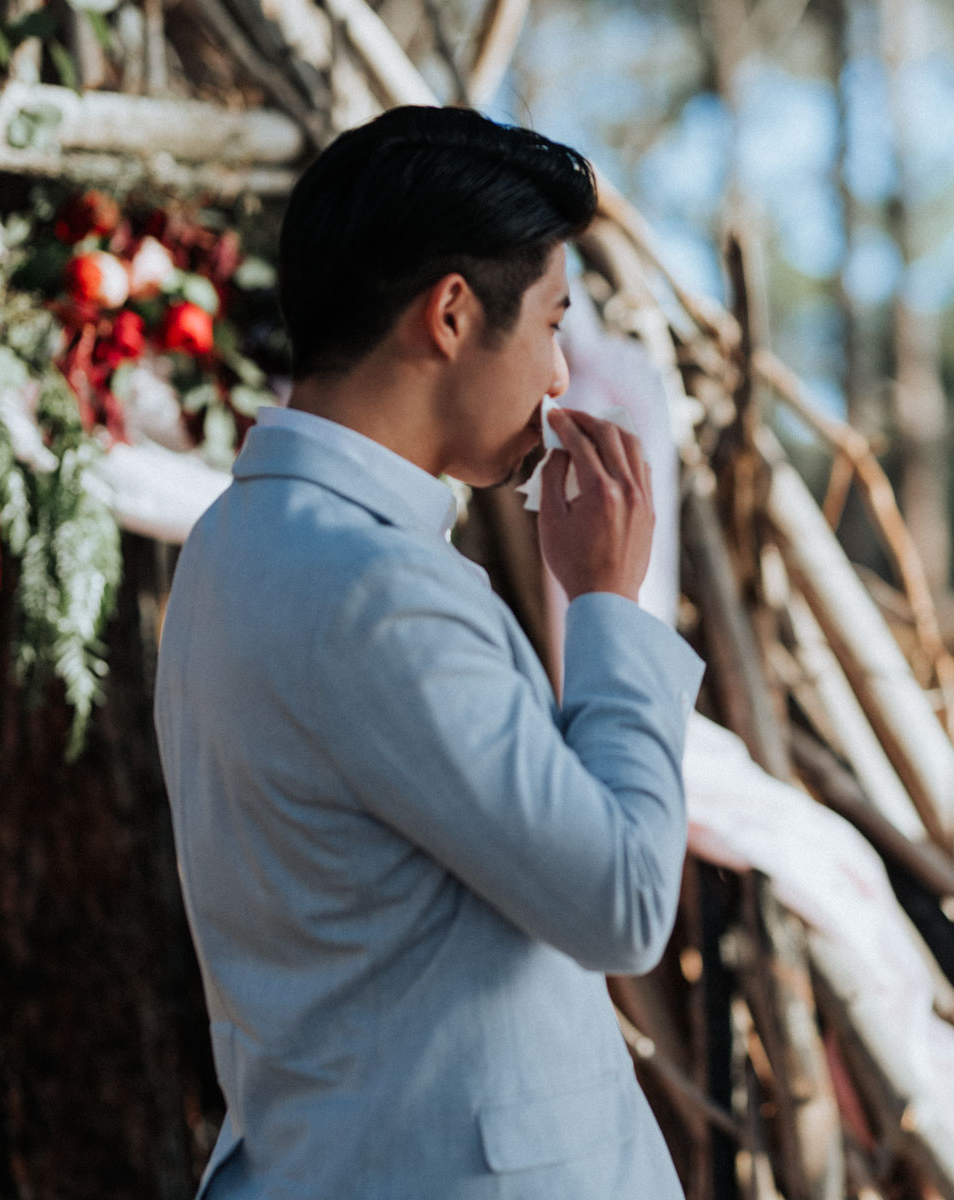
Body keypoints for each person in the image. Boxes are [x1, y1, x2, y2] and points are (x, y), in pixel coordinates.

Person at [154, 106, 704, 1198]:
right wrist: (605, 603)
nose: (557, 381)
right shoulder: (376, 590)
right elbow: (625, 902)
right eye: (550, 324)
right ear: (450, 315)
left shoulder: (232, 541)